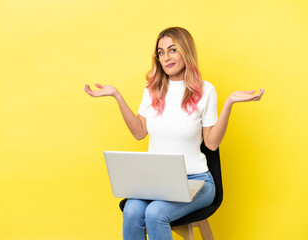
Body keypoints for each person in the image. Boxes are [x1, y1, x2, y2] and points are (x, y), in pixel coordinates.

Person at [84, 26, 264, 240]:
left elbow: (212, 143)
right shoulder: (152, 89)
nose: (166, 57)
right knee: (132, 210)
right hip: (156, 183)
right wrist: (117, 96)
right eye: (160, 53)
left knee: (155, 213)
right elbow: (140, 132)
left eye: (172, 50)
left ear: (185, 51)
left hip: (197, 181)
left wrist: (229, 103)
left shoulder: (206, 91)